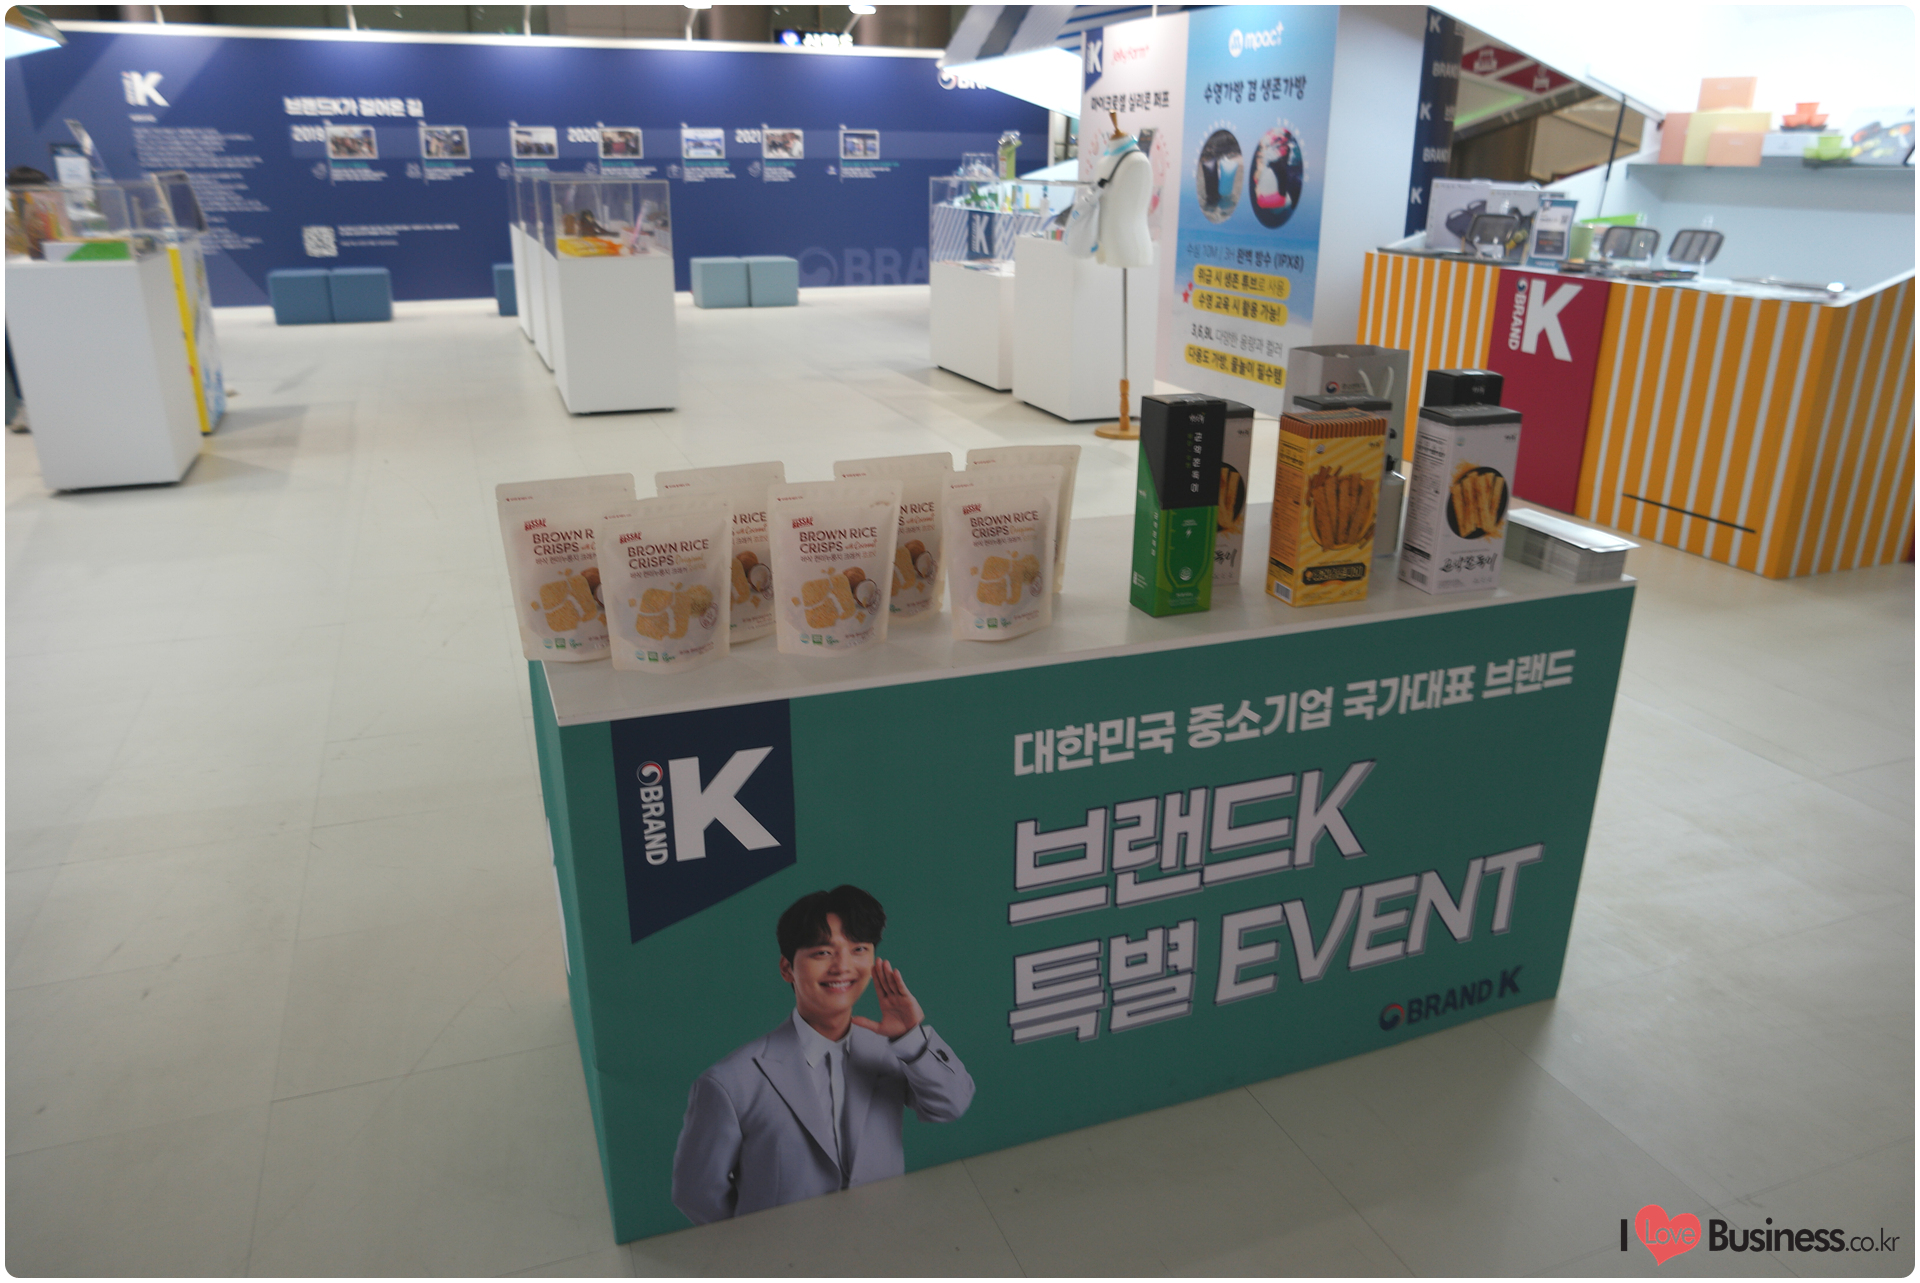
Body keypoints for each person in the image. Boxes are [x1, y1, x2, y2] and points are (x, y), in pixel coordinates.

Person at [670, 885, 974, 1224]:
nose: (842, 966)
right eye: (822, 953)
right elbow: (696, 1193)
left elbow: (952, 1105)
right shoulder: (730, 1081)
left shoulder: (894, 1050)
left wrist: (911, 1038)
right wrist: (762, 1243)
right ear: (787, 968)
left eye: (858, 949)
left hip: (883, 1239)